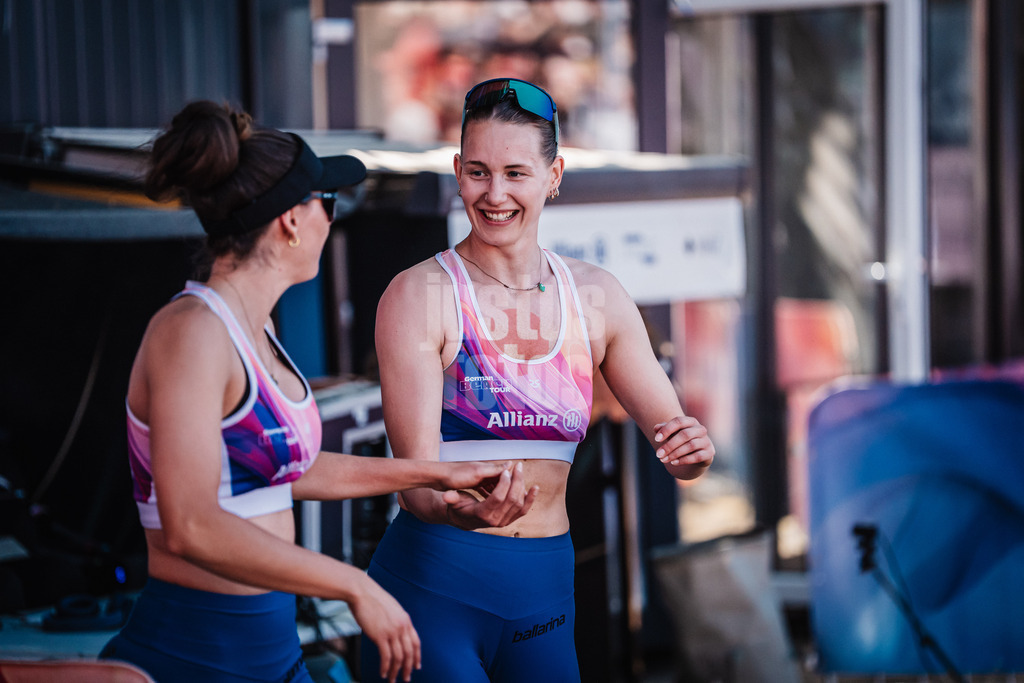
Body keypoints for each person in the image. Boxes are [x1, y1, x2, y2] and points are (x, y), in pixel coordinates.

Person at [98, 100, 525, 683]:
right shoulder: (191, 332)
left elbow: (288, 471)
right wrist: (352, 584)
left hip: (270, 647)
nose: (333, 218)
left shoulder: (259, 329)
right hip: (198, 652)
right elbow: (190, 524)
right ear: (291, 221)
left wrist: (432, 473)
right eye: (326, 203)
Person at [363, 78, 716, 682]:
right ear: (456, 171)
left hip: (545, 595)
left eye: (516, 173)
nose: (494, 193)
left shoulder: (597, 296)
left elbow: (675, 441)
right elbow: (414, 488)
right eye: (477, 172)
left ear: (555, 175)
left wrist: (692, 454)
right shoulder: (420, 294)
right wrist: (463, 514)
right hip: (432, 593)